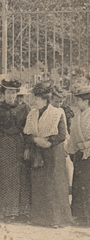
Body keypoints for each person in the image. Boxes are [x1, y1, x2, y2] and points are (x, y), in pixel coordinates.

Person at [24, 81, 73, 228]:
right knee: (38, 184)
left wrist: (48, 141)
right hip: (38, 152)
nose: (34, 101)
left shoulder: (57, 113)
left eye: (37, 99)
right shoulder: (32, 114)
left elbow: (62, 135)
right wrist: (34, 139)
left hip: (53, 153)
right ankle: (38, 218)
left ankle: (56, 220)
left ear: (45, 99)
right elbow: (27, 133)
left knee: (54, 185)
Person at [0, 76, 31, 220]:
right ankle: (5, 211)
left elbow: (28, 131)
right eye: (9, 92)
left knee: (19, 178)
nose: (12, 95)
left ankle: (20, 211)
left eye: (14, 92)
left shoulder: (24, 109)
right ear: (4, 93)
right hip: (3, 146)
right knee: (2, 178)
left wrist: (27, 148)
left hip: (19, 145)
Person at [67, 82, 90, 226]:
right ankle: (81, 215)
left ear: (86, 101)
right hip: (79, 155)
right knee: (79, 184)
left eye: (79, 100)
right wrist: (71, 150)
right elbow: (73, 136)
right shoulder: (77, 117)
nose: (77, 103)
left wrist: (86, 145)